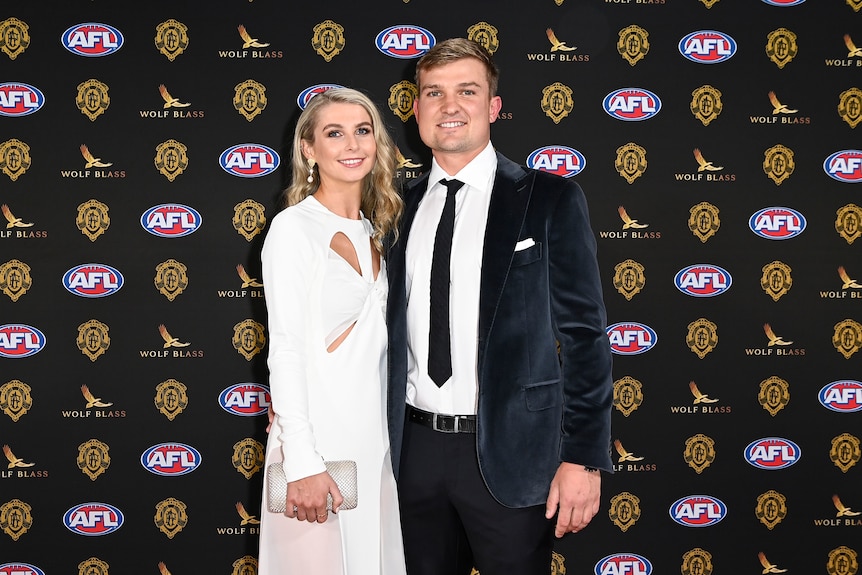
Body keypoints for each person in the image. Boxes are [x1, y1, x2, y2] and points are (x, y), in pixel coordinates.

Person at [385, 38, 614, 575]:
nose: (449, 105)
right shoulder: (394, 209)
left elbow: (585, 337)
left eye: (467, 91)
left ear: (493, 107)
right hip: (409, 454)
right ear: (416, 109)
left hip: (511, 455)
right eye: (433, 93)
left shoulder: (550, 198)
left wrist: (583, 458)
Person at [258, 87, 406, 575]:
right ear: (308, 148)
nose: (352, 144)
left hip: (376, 443)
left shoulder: (375, 233)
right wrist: (301, 460)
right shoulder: (293, 229)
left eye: (363, 131)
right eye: (334, 133)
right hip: (318, 448)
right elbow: (286, 348)